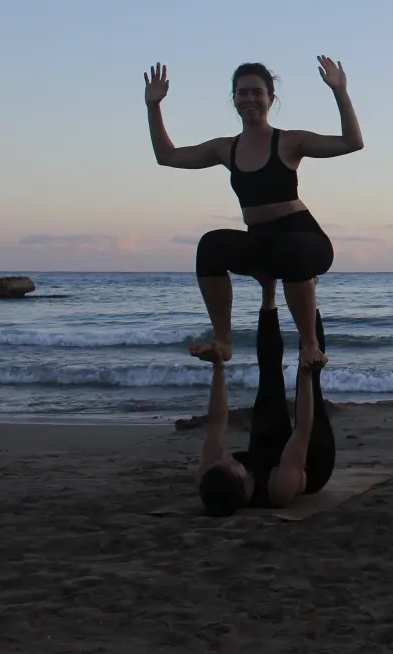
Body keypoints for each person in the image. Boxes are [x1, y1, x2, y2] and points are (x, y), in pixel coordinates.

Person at [143, 56, 363, 369]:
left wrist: (340, 91)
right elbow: (167, 156)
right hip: (262, 243)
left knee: (292, 248)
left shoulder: (289, 141)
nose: (249, 99)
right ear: (234, 99)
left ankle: (310, 345)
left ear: (271, 99)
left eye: (257, 92)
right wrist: (154, 106)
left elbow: (352, 142)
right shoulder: (226, 148)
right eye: (242, 92)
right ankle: (223, 340)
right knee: (211, 245)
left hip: (305, 239)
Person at [193, 281, 337, 514]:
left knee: (269, 378)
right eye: (233, 465)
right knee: (311, 369)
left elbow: (217, 423)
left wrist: (218, 366)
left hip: (266, 453)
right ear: (247, 487)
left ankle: (268, 292)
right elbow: (302, 429)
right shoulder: (279, 488)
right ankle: (309, 293)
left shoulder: (210, 474)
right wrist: (306, 372)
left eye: (223, 461)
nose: (229, 457)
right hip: (310, 460)